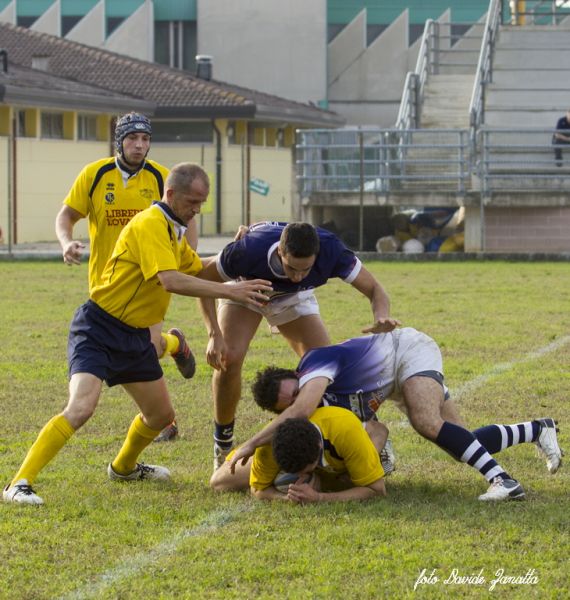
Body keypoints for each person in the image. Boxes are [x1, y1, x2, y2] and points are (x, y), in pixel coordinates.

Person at [3, 163, 272, 506]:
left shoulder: (173, 229)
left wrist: (236, 254)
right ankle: (18, 483)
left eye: (202, 203)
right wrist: (233, 292)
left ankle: (124, 468)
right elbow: (171, 280)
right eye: (192, 202)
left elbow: (197, 268)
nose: (196, 210)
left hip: (134, 336)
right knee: (81, 407)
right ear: (171, 194)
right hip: (99, 327)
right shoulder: (150, 224)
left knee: (160, 417)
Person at [231, 325, 563, 502]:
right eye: (286, 406)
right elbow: (372, 428)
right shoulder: (322, 407)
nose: (296, 404)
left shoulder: (314, 365)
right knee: (463, 443)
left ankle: (502, 480)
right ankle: (537, 429)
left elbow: (303, 408)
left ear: (295, 374)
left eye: (292, 392)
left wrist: (248, 445)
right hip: (394, 381)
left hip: (406, 352)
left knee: (426, 423)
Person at [197, 221, 400, 469]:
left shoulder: (331, 250)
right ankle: (223, 446)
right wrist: (213, 334)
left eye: (306, 270)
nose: (298, 276)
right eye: (292, 268)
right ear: (280, 252)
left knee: (331, 372)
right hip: (246, 289)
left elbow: (375, 289)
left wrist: (381, 316)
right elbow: (203, 279)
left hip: (291, 299)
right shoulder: (248, 250)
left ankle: (367, 431)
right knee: (228, 359)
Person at [55, 112, 196, 442]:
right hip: (107, 285)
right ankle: (175, 345)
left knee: (143, 347)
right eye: (132, 138)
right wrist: (66, 243)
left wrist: (184, 261)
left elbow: (187, 226)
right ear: (119, 141)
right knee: (143, 348)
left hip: (150, 281)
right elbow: (67, 215)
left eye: (145, 139)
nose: (139, 145)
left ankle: (163, 421)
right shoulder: (95, 174)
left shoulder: (163, 178)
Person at [210, 407, 387, 503]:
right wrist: (285, 498)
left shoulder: (345, 432)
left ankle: (376, 453)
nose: (300, 475)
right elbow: (257, 490)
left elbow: (377, 490)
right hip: (320, 452)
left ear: (319, 448)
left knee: (348, 481)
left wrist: (319, 498)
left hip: (348, 438)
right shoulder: (268, 447)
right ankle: (319, 478)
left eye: (305, 470)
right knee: (219, 482)